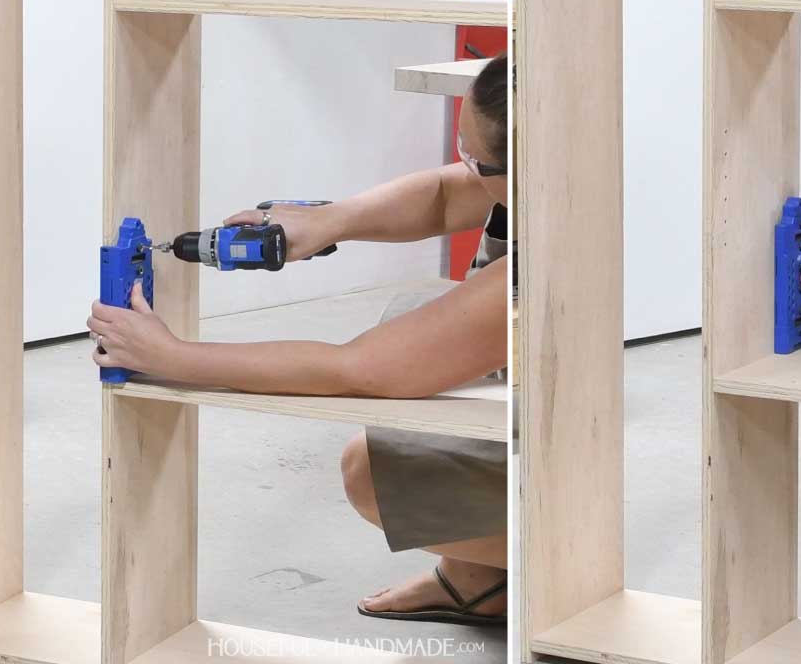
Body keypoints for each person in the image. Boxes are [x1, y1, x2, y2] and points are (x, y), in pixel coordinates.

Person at [88, 54, 510, 627]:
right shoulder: (540, 173)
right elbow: (446, 191)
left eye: (474, 159)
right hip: (540, 395)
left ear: (517, 166)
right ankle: (478, 576)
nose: (463, 168)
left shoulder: (535, 269)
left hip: (565, 461)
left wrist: (175, 357)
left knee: (376, 470)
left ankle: (533, 555)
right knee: (415, 317)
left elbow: (356, 369)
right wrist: (333, 219)